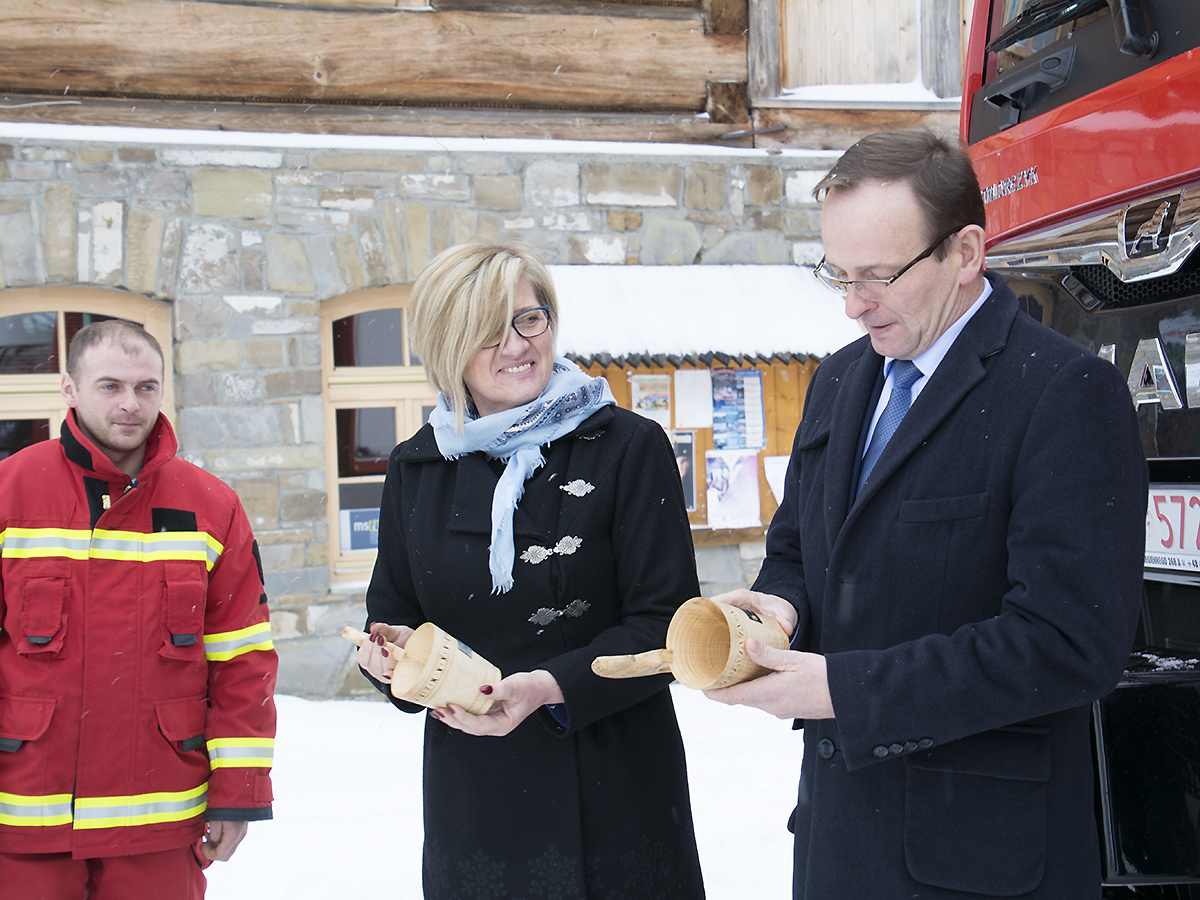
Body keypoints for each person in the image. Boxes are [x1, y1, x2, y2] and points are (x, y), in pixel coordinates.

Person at [704, 130, 1147, 899]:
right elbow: (798, 551)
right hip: (839, 846)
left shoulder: (1064, 393)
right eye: (838, 275)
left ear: (966, 252)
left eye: (879, 275)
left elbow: (1069, 644)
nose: (853, 305)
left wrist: (846, 691)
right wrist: (777, 609)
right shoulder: (839, 380)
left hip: (980, 866)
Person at [357, 238, 705, 900]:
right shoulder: (416, 467)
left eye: (528, 319)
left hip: (615, 791)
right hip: (477, 800)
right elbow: (395, 613)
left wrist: (548, 687)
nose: (517, 345)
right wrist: (392, 657)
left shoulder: (626, 447)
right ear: (446, 345)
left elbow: (667, 628)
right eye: (488, 330)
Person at [0, 320, 277, 898]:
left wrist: (239, 793)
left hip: (159, 820)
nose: (131, 403)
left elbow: (243, 659)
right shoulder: (11, 491)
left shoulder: (212, 505)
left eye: (146, 387)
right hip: (23, 815)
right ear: (69, 389)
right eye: (110, 386)